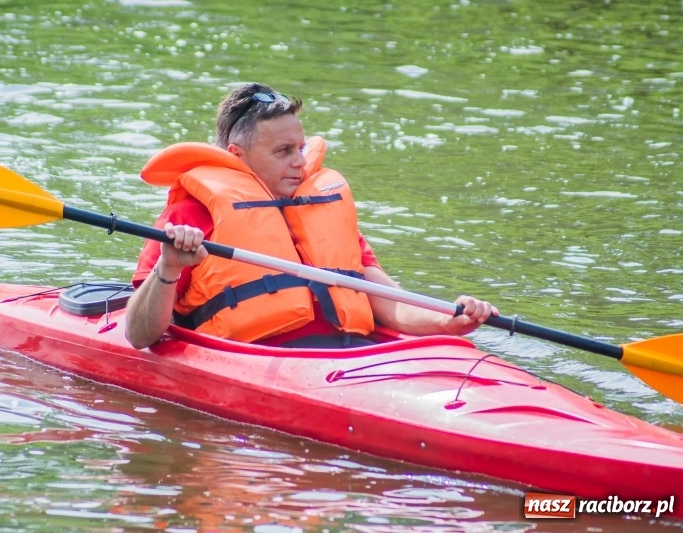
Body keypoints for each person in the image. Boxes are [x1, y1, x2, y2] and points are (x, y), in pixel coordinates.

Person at [125, 82, 497, 349]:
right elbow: (139, 334)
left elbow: (387, 301)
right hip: (263, 361)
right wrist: (168, 268)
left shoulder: (320, 204)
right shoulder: (190, 215)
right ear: (237, 155)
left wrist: (448, 319)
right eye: (283, 151)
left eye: (301, 149)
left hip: (352, 355)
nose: (300, 163)